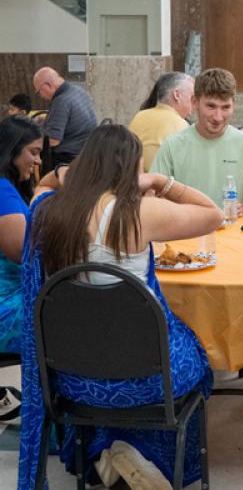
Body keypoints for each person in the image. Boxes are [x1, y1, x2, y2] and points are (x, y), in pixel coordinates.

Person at [18, 124, 224, 489]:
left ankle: (109, 451)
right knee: (194, 353)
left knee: (117, 346)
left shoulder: (48, 211)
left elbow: (43, 185)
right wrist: (162, 181)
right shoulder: (141, 212)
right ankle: (141, 453)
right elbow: (213, 213)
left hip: (72, 379)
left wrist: (66, 173)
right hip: (148, 383)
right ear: (132, 168)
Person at [151, 68, 243, 215]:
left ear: (234, 105)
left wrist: (242, 208)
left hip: (230, 233)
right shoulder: (172, 146)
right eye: (211, 106)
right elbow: (154, 198)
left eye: (225, 107)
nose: (218, 117)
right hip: (185, 233)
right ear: (195, 102)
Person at [0, 116, 42, 353]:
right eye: (33, 152)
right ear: (12, 150)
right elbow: (23, 253)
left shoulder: (7, 188)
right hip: (7, 308)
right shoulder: (3, 192)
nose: (38, 160)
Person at [129, 72, 194, 171]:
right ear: (177, 95)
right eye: (192, 99)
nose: (194, 106)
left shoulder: (139, 116)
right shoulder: (181, 125)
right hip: (162, 184)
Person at [33, 66, 97, 167]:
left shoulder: (61, 101)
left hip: (68, 159)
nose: (41, 96)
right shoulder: (78, 90)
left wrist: (30, 139)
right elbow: (71, 120)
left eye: (38, 91)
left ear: (48, 85)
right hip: (86, 152)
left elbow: (53, 141)